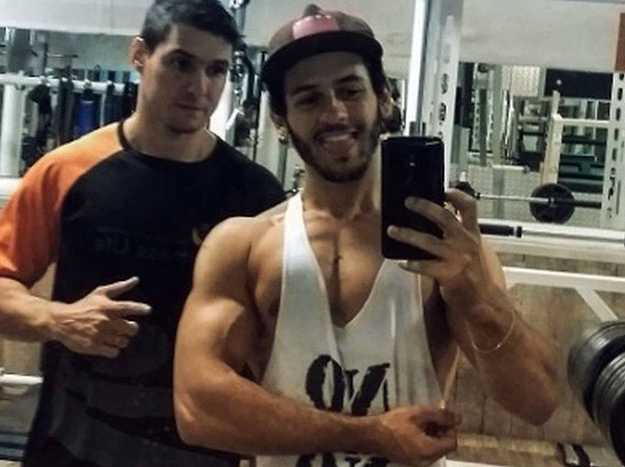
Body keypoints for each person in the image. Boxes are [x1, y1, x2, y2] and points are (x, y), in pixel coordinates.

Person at [173, 4, 559, 467]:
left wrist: (479, 301)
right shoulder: (243, 245)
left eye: (350, 90)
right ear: (280, 119)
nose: (335, 112)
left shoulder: (443, 248)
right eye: (309, 99)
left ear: (385, 98)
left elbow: (538, 401)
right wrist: (373, 435)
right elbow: (196, 407)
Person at [0, 0, 284, 466]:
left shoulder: (256, 193)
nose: (199, 87)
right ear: (139, 55)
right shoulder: (67, 169)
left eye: (215, 70)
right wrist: (57, 319)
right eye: (181, 63)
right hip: (72, 450)